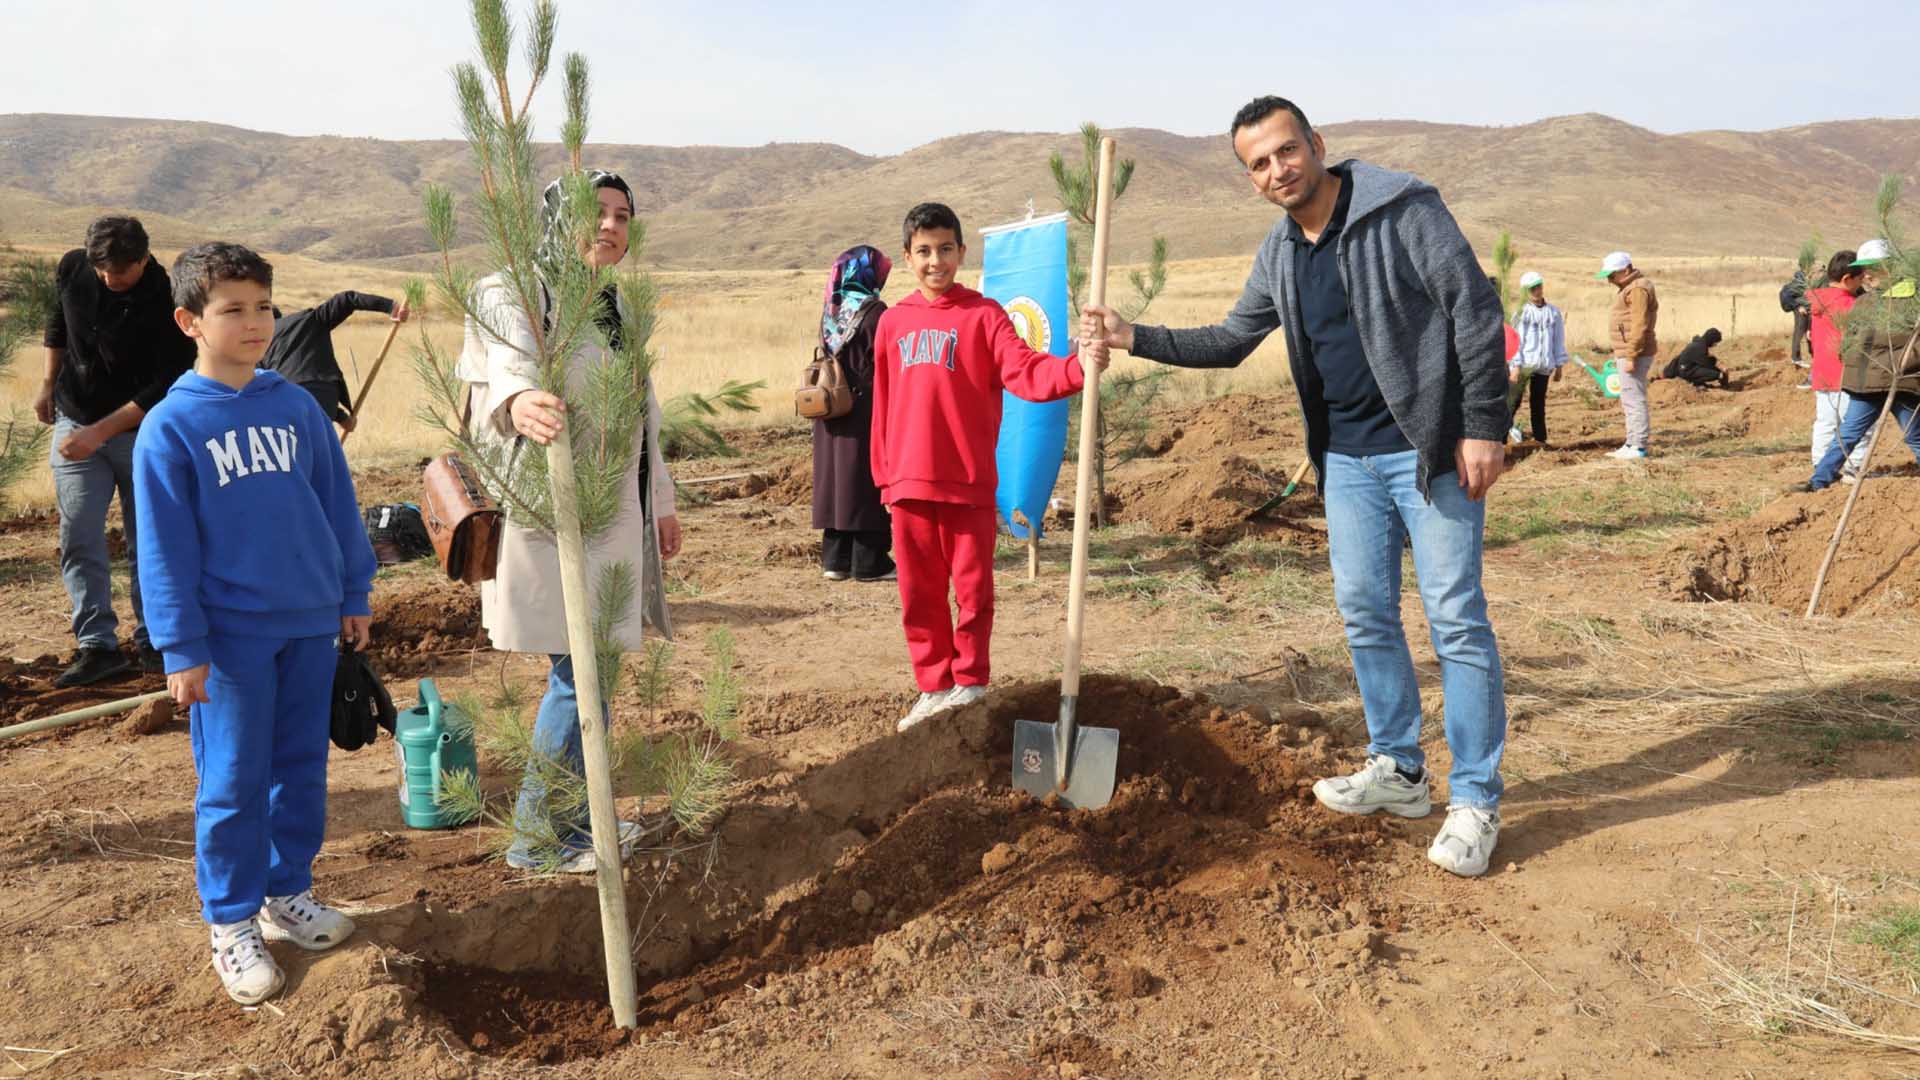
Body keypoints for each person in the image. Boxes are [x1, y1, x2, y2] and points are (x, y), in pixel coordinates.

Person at [1082, 95, 1510, 877]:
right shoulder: (1280, 253)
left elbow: (1474, 309)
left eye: (1286, 150)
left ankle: (1476, 799)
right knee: (1367, 615)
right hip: (1345, 462)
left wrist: (1484, 423)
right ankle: (1399, 769)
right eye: (1259, 164)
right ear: (1250, 179)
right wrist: (1131, 335)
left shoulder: (1402, 210)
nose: (1278, 169)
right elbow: (1230, 340)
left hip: (1431, 451)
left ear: (1315, 143)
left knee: (1455, 620)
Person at [132, 242, 377, 1005]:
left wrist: (354, 592)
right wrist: (181, 646)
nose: (254, 322)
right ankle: (231, 920)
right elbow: (163, 550)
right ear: (189, 321)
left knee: (300, 766)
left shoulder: (295, 407)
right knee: (234, 778)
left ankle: (286, 891)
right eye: (233, 309)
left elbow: (337, 505)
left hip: (309, 621)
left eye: (264, 307)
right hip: (231, 638)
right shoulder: (171, 427)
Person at [461, 171, 679, 872]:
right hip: (549, 513)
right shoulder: (515, 288)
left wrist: (661, 503)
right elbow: (509, 365)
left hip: (614, 514)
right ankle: (539, 837)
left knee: (595, 667)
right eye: (596, 212)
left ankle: (581, 821)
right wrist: (520, 398)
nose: (610, 225)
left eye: (622, 215)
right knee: (578, 670)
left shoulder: (617, 306)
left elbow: (644, 416)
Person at [873, 202, 1107, 733]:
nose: (936, 261)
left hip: (968, 483)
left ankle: (971, 683)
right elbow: (882, 406)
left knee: (973, 591)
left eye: (946, 249)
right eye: (924, 251)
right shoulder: (892, 323)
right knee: (919, 594)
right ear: (907, 257)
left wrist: (1077, 367)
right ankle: (934, 687)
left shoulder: (985, 316)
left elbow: (1026, 372)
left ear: (962, 252)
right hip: (908, 483)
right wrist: (884, 477)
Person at [37, 215, 197, 687]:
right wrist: (47, 383)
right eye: (102, 270)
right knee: (79, 536)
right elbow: (58, 324)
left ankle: (155, 638)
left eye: (120, 272)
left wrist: (100, 432)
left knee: (148, 538)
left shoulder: (168, 295)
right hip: (75, 420)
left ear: (144, 259)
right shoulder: (73, 268)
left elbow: (166, 382)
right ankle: (97, 646)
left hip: (142, 434)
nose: (110, 279)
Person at [811, 246, 895, 582]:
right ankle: (868, 562)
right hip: (864, 408)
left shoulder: (831, 309)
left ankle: (835, 560)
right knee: (863, 480)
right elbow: (883, 359)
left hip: (830, 405)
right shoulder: (875, 311)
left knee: (833, 480)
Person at [1809, 240, 1920, 490]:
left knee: (1913, 436)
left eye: (1873, 268)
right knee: (1848, 435)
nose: (1867, 274)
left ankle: (1818, 481)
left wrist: (1904, 364)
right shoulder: (1865, 302)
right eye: (1864, 269)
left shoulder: (1913, 301)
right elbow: (1849, 340)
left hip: (1900, 381)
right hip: (1869, 382)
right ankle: (1817, 483)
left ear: (1890, 267)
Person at [260, 290, 411, 432]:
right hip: (325, 397)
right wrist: (390, 307)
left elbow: (259, 386)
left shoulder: (260, 345)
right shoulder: (309, 319)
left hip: (288, 400)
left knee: (299, 448)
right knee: (319, 446)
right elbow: (347, 299)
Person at [1806, 250, 1870, 478]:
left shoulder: (1819, 300)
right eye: (1860, 277)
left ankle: (1820, 464)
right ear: (1847, 279)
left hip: (1822, 373)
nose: (1863, 281)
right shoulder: (1850, 305)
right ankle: (1853, 469)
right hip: (1846, 375)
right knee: (1858, 427)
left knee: (1825, 423)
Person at [1598, 250, 1658, 459]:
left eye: (1612, 275)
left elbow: (1639, 324)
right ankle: (1631, 443)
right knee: (1628, 397)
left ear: (1625, 270)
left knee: (1634, 398)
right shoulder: (1630, 288)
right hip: (1628, 351)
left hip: (1635, 353)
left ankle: (1638, 446)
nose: (1609, 280)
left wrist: (1631, 356)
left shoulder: (1638, 289)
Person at [1509, 271, 1569, 443]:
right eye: (1532, 288)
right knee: (1513, 402)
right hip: (1524, 366)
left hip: (1544, 366)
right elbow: (1515, 341)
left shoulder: (1553, 313)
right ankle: (1501, 440)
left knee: (1538, 404)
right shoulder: (1522, 313)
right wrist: (1516, 366)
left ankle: (1540, 441)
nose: (1537, 291)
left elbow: (1558, 340)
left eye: (1538, 286)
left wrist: (1559, 366)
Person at [1660, 328, 1728, 387]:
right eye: (1715, 342)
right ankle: (1695, 382)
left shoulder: (1699, 343)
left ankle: (1697, 382)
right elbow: (1707, 365)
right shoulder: (1700, 348)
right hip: (1686, 372)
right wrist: (1721, 373)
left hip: (1686, 368)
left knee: (1714, 367)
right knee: (1715, 374)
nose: (1715, 345)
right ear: (1711, 340)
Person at [1780, 267, 1812, 368]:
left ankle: (1811, 356)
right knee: (1799, 333)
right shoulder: (1797, 285)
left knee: (1809, 333)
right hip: (1801, 312)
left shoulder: (1800, 284)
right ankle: (1796, 358)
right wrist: (1798, 306)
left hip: (1807, 311)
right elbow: (1787, 297)